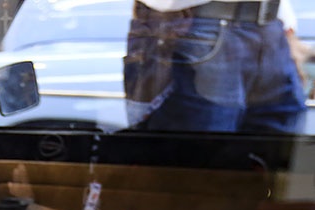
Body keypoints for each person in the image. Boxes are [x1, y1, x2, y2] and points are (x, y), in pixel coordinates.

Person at [123, 0, 307, 133]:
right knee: (193, 168)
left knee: (275, 170)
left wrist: (286, 27)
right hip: (192, 23)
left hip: (266, 26)